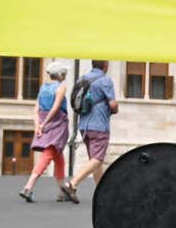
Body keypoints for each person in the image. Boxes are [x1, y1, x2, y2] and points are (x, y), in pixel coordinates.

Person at [62, 60, 118, 203]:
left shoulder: (82, 79)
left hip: (84, 125)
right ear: (105, 66)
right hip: (99, 125)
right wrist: (115, 108)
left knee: (95, 161)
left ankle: (103, 194)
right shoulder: (105, 80)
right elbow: (113, 104)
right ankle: (72, 184)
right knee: (97, 159)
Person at [21, 62, 71, 202]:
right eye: (64, 72)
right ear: (60, 74)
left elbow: (36, 109)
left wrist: (38, 125)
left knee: (58, 157)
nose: (65, 75)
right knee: (48, 153)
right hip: (57, 123)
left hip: (44, 121)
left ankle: (62, 192)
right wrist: (44, 124)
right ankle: (28, 186)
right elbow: (55, 109)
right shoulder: (61, 87)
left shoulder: (43, 87)